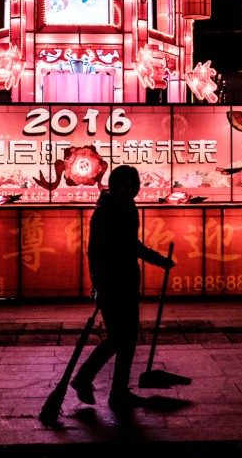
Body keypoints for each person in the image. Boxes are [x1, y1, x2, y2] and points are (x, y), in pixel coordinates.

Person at [70, 164, 175, 410]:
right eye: (122, 184)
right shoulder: (107, 210)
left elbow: (129, 244)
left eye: (131, 185)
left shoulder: (125, 206)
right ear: (114, 185)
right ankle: (85, 379)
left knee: (126, 339)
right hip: (111, 282)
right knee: (120, 337)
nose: (127, 189)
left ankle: (117, 390)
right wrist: (99, 284)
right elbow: (111, 248)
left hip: (126, 280)